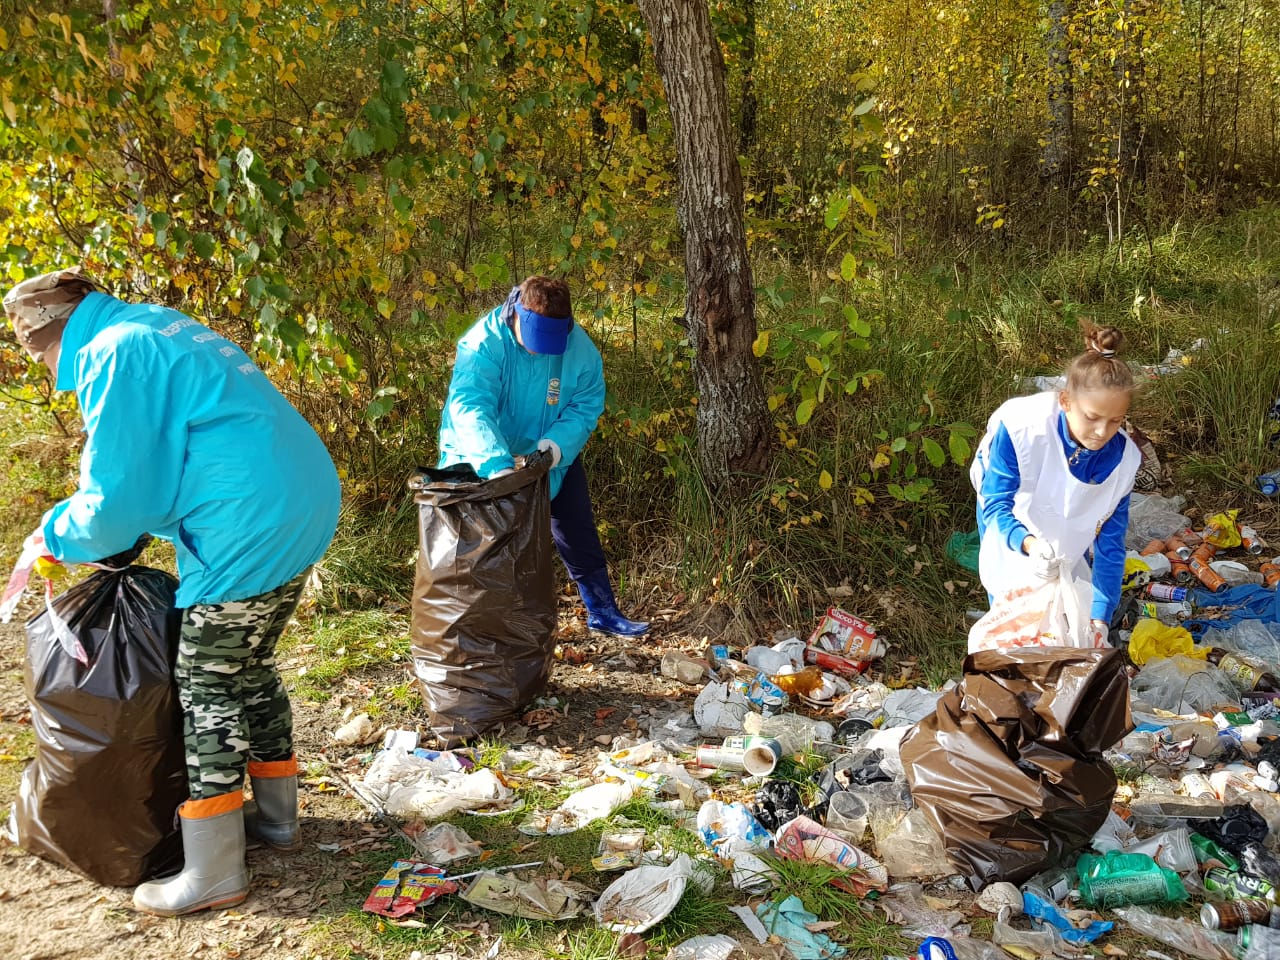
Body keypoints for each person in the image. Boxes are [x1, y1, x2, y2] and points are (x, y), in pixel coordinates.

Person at [3, 267, 341, 916]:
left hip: (251, 521)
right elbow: (173, 460)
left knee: (206, 682)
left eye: (37, 353)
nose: (45, 368)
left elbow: (118, 499)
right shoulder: (151, 324)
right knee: (246, 666)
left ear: (51, 332)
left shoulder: (112, 352)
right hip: (301, 503)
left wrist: (54, 533)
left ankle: (213, 868)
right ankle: (276, 821)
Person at [437, 276, 647, 637]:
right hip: (479, 452)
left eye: (550, 343)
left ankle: (603, 612)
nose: (540, 352)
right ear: (515, 314)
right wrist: (496, 466)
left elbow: (585, 405)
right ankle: (471, 625)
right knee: (479, 542)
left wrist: (554, 448)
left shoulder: (580, 350)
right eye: (534, 342)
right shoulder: (483, 344)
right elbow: (470, 407)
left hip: (547, 452)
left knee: (576, 527)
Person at [970, 325, 1141, 647]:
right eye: (1092, 417)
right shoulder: (1022, 428)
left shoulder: (1122, 462)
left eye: (1116, 421)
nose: (1102, 431)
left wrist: (1099, 619)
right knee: (1014, 606)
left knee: (1069, 606)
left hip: (1066, 520)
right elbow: (997, 504)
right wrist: (1030, 544)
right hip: (1015, 514)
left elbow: (1110, 545)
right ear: (1065, 401)